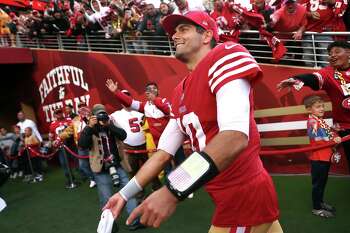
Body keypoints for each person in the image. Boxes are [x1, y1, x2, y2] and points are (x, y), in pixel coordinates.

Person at [103, 11, 282, 233]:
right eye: (174, 32)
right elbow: (162, 154)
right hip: (228, 196)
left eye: (183, 29)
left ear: (207, 35)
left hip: (243, 196)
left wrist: (171, 190)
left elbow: (234, 138)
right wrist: (123, 194)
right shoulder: (180, 91)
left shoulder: (226, 55)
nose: (174, 36)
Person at [277, 41, 350, 172]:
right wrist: (297, 79)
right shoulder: (328, 73)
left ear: (349, 53)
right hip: (346, 127)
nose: (332, 55)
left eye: (337, 52)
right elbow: (314, 78)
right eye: (330, 53)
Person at [78, 104, 144, 231]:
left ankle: (134, 220)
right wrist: (90, 126)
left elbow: (123, 135)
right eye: (99, 115)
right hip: (101, 168)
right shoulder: (90, 127)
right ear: (93, 116)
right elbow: (82, 144)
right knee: (106, 198)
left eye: (103, 113)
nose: (101, 117)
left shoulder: (111, 123)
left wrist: (109, 125)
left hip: (117, 164)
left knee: (129, 192)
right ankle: (110, 225)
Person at [110, 90, 162, 198]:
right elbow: (105, 120)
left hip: (144, 145)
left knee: (151, 168)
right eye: (123, 97)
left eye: (127, 97)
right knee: (133, 172)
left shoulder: (139, 111)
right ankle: (139, 193)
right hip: (128, 147)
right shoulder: (116, 115)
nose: (125, 99)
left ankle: (157, 187)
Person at [304, 95, 341, 218]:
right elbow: (316, 138)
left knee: (322, 183)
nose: (321, 108)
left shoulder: (320, 120)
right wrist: (333, 139)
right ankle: (316, 208)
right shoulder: (312, 121)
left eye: (322, 106)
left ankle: (320, 202)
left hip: (325, 157)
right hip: (318, 158)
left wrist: (334, 131)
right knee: (318, 185)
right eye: (318, 106)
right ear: (309, 109)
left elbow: (328, 133)